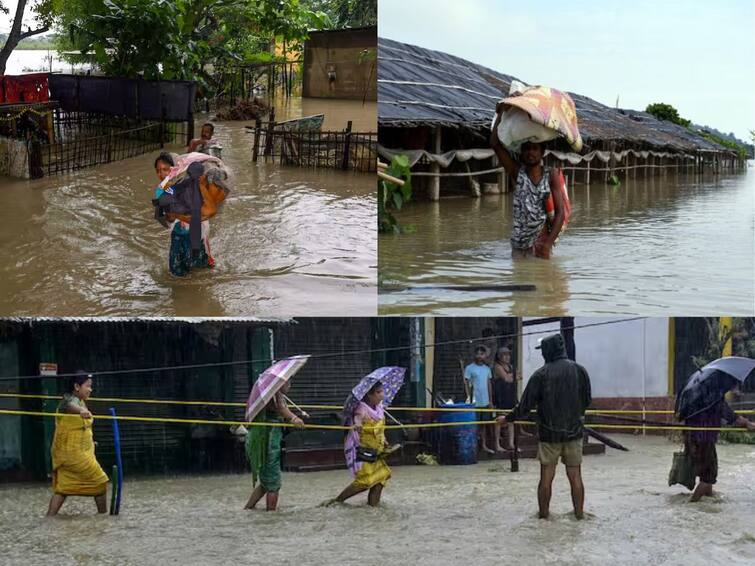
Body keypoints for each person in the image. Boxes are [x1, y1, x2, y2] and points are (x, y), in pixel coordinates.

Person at [497, 334, 591, 519]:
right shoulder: (580, 370)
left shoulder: (540, 375)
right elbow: (586, 401)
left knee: (546, 477)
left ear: (548, 351)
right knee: (575, 477)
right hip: (574, 433)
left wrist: (507, 418)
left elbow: (525, 406)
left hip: (549, 435)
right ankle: (579, 515)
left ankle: (544, 517)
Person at [490, 103, 566, 260]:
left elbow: (560, 213)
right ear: (521, 152)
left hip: (540, 244)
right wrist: (500, 114)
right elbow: (495, 145)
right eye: (527, 149)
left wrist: (548, 244)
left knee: (540, 282)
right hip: (518, 245)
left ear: (542, 152)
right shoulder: (517, 173)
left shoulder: (551, 175)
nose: (530, 152)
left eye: (534, 148)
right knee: (520, 281)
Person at [46, 372, 109, 516]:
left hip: (74, 453)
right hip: (73, 455)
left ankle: (49, 519)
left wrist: (90, 442)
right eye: (88, 386)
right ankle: (103, 517)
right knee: (100, 482)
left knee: (63, 488)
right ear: (76, 386)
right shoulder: (69, 400)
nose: (90, 390)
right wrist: (81, 411)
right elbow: (70, 406)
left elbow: (79, 429)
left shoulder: (81, 401)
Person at [683, 384, 755, 502]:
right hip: (705, 438)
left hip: (692, 437)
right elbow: (729, 415)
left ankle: (708, 496)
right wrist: (748, 423)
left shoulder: (696, 396)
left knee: (707, 472)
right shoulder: (714, 396)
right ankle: (692, 504)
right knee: (709, 477)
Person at [244, 380, 304, 511]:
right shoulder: (272, 394)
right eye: (287, 383)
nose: (289, 385)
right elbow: (282, 410)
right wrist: (294, 418)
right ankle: (270, 515)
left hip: (262, 440)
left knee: (266, 482)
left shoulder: (276, 394)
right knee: (273, 483)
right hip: (266, 442)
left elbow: (283, 409)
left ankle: (248, 509)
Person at [333, 382, 395, 506]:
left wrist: (384, 440)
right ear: (369, 395)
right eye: (378, 392)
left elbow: (380, 428)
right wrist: (358, 424)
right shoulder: (361, 407)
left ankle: (373, 508)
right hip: (362, 451)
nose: (382, 395)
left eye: (382, 391)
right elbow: (358, 418)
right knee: (364, 481)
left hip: (375, 450)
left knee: (380, 479)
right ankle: (337, 502)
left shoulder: (380, 408)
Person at [153, 152, 215, 275]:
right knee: (176, 270)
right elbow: (168, 218)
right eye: (158, 170)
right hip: (178, 231)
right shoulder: (161, 189)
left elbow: (206, 211)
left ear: (174, 169)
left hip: (198, 229)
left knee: (201, 269)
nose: (162, 174)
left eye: (165, 169)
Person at [464, 345, 495, 454]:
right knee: (474, 424)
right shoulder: (469, 368)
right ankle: (474, 445)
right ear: (474, 355)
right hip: (474, 401)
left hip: (485, 401)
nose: (479, 356)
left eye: (482, 354)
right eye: (477, 353)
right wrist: (468, 397)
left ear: (485, 355)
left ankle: (484, 445)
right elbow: (466, 384)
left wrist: (491, 401)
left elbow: (489, 384)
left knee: (484, 425)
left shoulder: (487, 369)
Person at [493, 346, 520, 451]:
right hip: (501, 396)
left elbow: (519, 376)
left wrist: (512, 376)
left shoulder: (511, 366)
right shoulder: (497, 366)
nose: (507, 357)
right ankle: (497, 444)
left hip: (511, 395)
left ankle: (511, 444)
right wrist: (513, 376)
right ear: (500, 356)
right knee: (499, 420)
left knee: (511, 420)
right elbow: (507, 379)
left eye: (508, 354)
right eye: (504, 355)